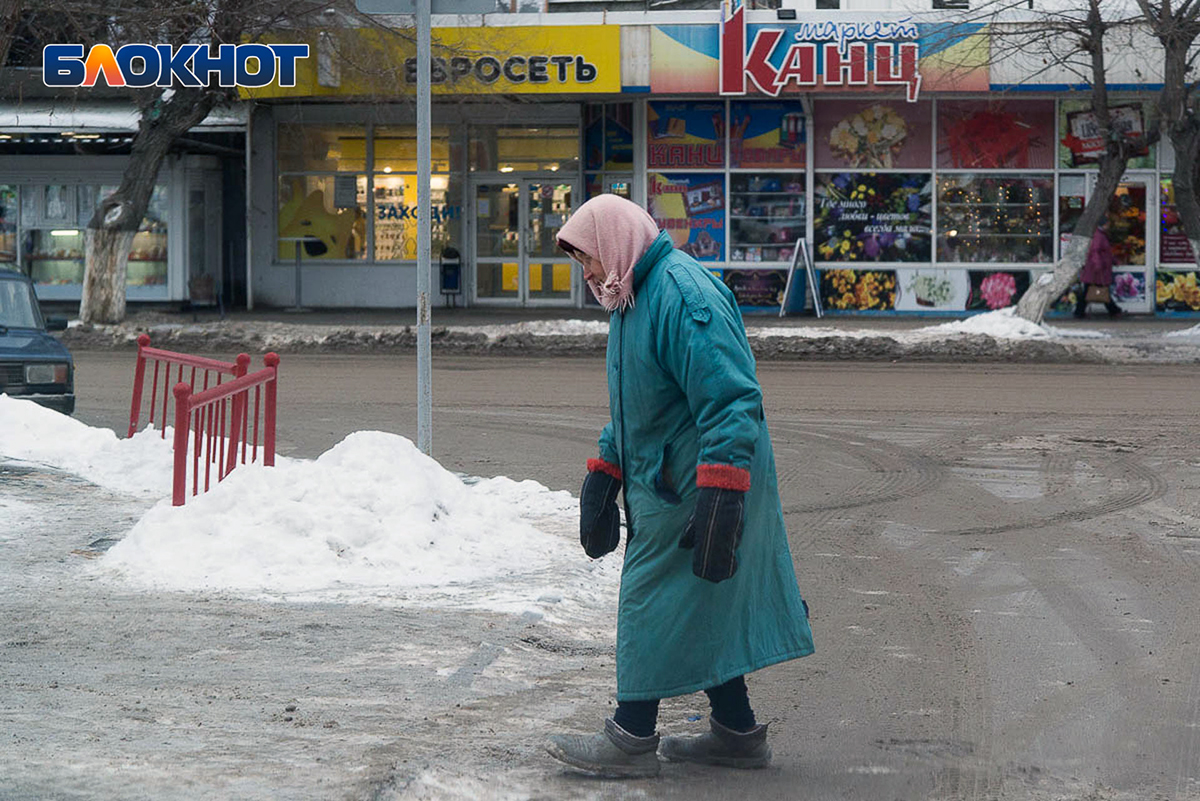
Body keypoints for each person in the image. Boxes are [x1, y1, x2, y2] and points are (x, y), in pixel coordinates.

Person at [544, 194, 814, 779]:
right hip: (667, 477)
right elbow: (638, 404)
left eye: (587, 258)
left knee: (647, 600)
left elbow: (732, 399)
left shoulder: (681, 296)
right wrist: (605, 472)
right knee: (702, 600)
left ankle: (631, 737)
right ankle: (737, 735)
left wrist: (722, 494)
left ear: (615, 241)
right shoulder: (631, 296)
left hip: (701, 482)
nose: (587, 273)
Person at [1075, 219, 1123, 318]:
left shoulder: (1101, 235)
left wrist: (1114, 261)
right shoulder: (1098, 236)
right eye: (1107, 224)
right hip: (1096, 270)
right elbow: (1095, 251)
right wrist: (1097, 265)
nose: (1108, 226)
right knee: (1100, 290)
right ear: (1103, 225)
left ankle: (1079, 312)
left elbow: (1106, 253)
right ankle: (1114, 310)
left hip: (1096, 269)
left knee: (1090, 291)